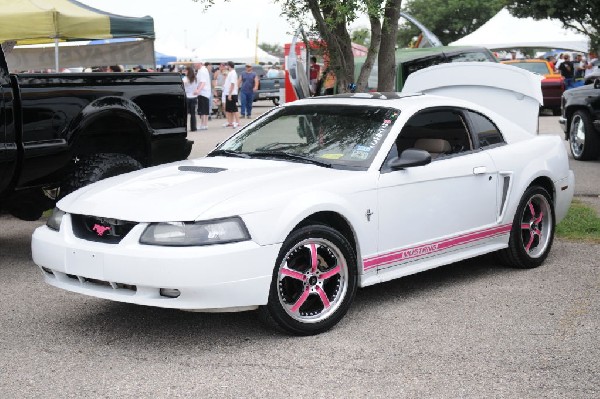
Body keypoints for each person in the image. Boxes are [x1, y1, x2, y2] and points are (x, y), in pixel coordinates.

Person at [223, 61, 240, 128]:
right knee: (229, 109)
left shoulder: (233, 73)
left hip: (232, 93)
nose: (225, 67)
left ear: (229, 66)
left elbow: (232, 84)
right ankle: (230, 122)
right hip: (228, 93)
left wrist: (230, 94)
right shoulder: (230, 73)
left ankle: (237, 122)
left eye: (226, 65)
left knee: (234, 109)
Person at [182, 66, 200, 131]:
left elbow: (182, 86)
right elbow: (197, 86)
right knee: (193, 114)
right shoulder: (195, 79)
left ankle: (184, 127)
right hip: (194, 97)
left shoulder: (185, 79)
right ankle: (193, 128)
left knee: (185, 114)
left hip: (187, 97)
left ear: (188, 71)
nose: (185, 72)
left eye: (186, 71)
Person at [196, 61, 212, 130]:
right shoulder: (203, 69)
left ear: (199, 63)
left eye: (195, 63)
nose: (194, 65)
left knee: (202, 109)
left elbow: (203, 82)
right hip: (205, 92)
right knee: (205, 109)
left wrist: (198, 90)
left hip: (203, 92)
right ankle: (205, 124)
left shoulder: (202, 71)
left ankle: (203, 124)